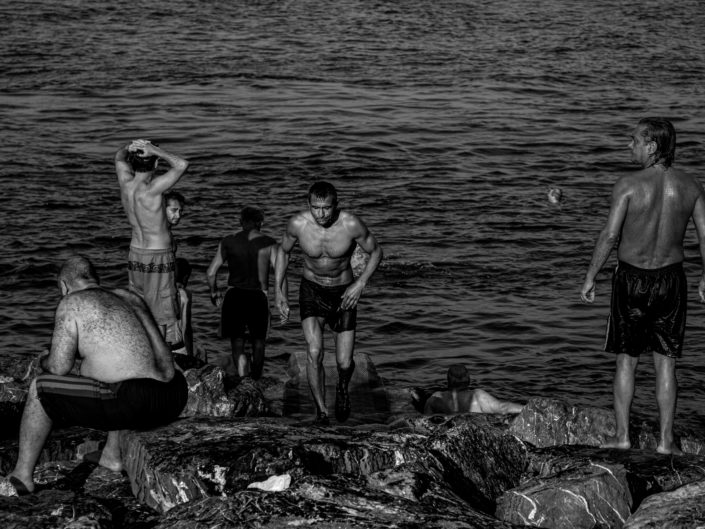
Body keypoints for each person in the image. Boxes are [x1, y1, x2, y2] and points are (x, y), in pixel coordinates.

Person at [2, 256, 187, 495]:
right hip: (174, 395)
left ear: (63, 285)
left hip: (134, 400)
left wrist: (43, 360)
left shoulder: (72, 302)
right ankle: (112, 455)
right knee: (113, 374)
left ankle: (21, 476)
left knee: (40, 389)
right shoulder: (129, 297)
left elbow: (59, 367)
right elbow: (147, 355)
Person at [580, 117, 705, 455]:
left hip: (632, 279)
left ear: (652, 147)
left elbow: (609, 235)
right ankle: (666, 442)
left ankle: (622, 437)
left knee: (627, 360)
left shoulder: (628, 185)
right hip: (671, 280)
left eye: (634, 140)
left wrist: (591, 275)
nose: (629, 145)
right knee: (666, 361)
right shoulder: (691, 186)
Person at [275, 181, 383, 425]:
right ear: (308, 205)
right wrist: (279, 292)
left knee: (344, 361)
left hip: (343, 293)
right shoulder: (298, 224)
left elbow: (376, 251)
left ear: (336, 205)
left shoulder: (350, 224)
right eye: (315, 208)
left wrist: (360, 283)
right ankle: (322, 411)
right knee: (314, 352)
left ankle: (342, 389)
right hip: (311, 290)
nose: (321, 214)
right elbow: (283, 252)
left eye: (326, 208)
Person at [114, 139, 189, 342]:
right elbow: (182, 164)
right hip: (158, 256)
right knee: (161, 315)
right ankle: (161, 361)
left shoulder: (126, 183)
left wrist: (130, 146)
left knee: (140, 307)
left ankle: (143, 353)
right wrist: (155, 150)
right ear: (155, 164)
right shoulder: (153, 188)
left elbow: (118, 157)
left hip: (136, 253)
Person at [207, 206, 281, 379]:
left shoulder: (228, 241)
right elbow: (280, 274)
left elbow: (211, 272)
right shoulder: (270, 243)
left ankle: (243, 381)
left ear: (241, 222)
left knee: (238, 342)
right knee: (259, 341)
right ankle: (256, 379)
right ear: (260, 222)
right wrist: (281, 297)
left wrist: (213, 291)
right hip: (258, 295)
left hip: (235, 295)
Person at [423, 365, 523, 415]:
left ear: (448, 381)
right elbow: (503, 408)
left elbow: (424, 422)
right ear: (468, 380)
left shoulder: (436, 399)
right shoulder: (478, 396)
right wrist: (530, 409)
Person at [171, 257, 203, 370]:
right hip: (178, 349)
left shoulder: (160, 293)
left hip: (162, 349)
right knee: (201, 350)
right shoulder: (184, 295)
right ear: (186, 278)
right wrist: (190, 357)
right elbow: (186, 329)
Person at [164, 190, 185, 254]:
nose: (178, 216)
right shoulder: (159, 232)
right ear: (163, 208)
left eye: (180, 211)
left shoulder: (167, 230)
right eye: (173, 210)